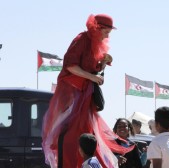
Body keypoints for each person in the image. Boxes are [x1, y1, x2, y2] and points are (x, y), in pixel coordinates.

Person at [42, 14, 133, 168]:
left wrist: (103, 64)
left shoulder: (97, 44)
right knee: (72, 129)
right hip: (73, 92)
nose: (107, 36)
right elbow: (70, 66)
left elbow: (95, 72)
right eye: (106, 31)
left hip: (86, 94)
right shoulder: (82, 40)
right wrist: (91, 77)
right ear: (98, 28)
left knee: (86, 130)